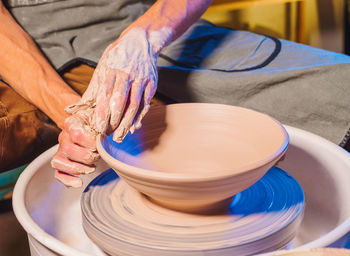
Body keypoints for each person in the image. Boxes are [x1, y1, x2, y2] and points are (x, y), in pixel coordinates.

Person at [1, 0, 350, 193]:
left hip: (147, 23)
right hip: (20, 47)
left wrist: (145, 38)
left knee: (338, 85)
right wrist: (74, 113)